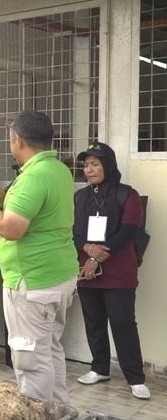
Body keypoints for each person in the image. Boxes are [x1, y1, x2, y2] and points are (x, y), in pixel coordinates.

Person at [0, 110, 78, 404]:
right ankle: (58, 413)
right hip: (57, 279)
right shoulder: (58, 170)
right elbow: (36, 213)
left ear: (17, 140)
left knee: (31, 361)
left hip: (33, 284)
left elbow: (11, 228)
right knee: (50, 350)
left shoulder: (33, 177)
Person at [73, 141, 150, 400]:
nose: (89, 169)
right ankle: (99, 368)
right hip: (87, 271)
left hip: (118, 273)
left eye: (95, 164)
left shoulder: (127, 195)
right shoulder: (81, 197)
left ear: (108, 165)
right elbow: (72, 231)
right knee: (94, 322)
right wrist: (86, 248)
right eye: (86, 165)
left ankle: (135, 377)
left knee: (122, 323)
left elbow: (129, 229)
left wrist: (98, 255)